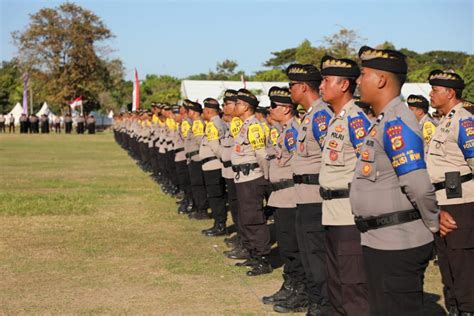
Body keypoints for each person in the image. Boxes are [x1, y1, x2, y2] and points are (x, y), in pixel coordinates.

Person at [350, 46, 439, 316]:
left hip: (398, 242)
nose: (357, 81)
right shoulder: (384, 120)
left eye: (363, 74)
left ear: (380, 80)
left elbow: (417, 184)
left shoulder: (397, 121)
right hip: (381, 239)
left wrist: (433, 223)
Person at [318, 55, 370, 315]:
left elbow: (370, 169)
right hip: (331, 212)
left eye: (326, 80)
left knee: (352, 285)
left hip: (350, 215)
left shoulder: (356, 119)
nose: (321, 86)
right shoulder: (334, 119)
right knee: (336, 281)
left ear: (344, 85)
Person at [287, 63, 334, 315]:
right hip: (303, 197)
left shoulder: (321, 116)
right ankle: (315, 301)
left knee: (316, 255)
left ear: (303, 87)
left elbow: (332, 157)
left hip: (316, 198)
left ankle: (323, 305)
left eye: (291, 86)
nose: (290, 90)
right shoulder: (310, 116)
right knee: (307, 254)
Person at [426, 70, 474, 315]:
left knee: (462, 267)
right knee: (447, 266)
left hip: (462, 203)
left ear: (450, 93)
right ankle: (455, 308)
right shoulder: (445, 121)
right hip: (441, 200)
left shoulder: (464, 121)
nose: (430, 94)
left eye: (435, 90)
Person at [261, 87, 308, 313]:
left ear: (287, 108)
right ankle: (290, 284)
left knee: (292, 247)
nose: (270, 110)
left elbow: (297, 164)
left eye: (274, 106)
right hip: (280, 197)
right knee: (286, 246)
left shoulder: (294, 131)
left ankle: (299, 290)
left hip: (290, 196)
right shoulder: (285, 130)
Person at [230, 88, 272, 276]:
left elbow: (261, 154)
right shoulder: (244, 125)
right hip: (242, 177)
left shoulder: (254, 126)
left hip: (252, 177)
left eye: (238, 103)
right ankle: (253, 253)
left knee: (254, 219)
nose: (235, 106)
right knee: (246, 218)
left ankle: (263, 258)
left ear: (246, 106)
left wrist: (265, 176)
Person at [199, 98, 228, 236]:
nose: (203, 112)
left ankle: (220, 225)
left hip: (212, 165)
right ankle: (219, 223)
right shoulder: (220, 123)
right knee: (218, 196)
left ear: (208, 111)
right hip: (216, 165)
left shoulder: (212, 125)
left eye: (204, 110)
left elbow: (216, 147)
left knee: (215, 197)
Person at [185, 101, 210, 220]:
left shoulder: (198, 123)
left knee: (198, 185)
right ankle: (200, 207)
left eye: (188, 110)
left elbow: (200, 141)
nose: (187, 113)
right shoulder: (196, 122)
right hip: (193, 157)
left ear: (193, 111)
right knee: (196, 185)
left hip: (197, 158)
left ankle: (202, 210)